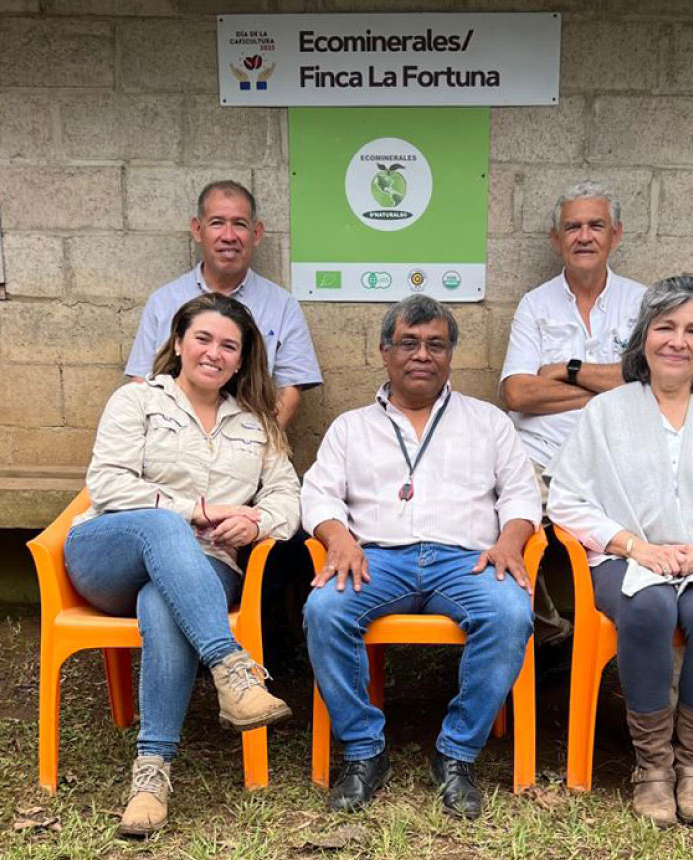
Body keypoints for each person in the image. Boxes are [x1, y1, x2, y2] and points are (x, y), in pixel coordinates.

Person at [547, 275, 693, 827]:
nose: (677, 341)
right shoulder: (607, 412)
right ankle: (653, 767)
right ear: (643, 337)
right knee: (650, 605)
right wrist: (636, 547)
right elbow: (566, 500)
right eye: (665, 327)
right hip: (626, 558)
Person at [67, 293, 299, 837]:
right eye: (202, 338)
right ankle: (230, 669)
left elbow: (289, 495)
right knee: (167, 527)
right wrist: (195, 510)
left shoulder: (257, 423)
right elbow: (107, 484)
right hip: (109, 555)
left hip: (204, 567)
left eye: (228, 346)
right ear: (178, 343)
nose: (213, 353)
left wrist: (258, 522)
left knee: (161, 601)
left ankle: (150, 776)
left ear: (242, 361)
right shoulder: (138, 401)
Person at [302, 295, 541, 819]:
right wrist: (337, 539)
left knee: (509, 613)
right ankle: (365, 754)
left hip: (468, 559)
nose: (422, 355)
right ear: (385, 352)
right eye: (408, 343)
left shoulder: (489, 422)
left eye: (436, 344)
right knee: (324, 612)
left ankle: (456, 755)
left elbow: (522, 495)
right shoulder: (351, 426)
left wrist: (510, 540)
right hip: (375, 559)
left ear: (450, 355)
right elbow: (318, 494)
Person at [499, 180, 647, 654]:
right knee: (503, 524)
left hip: (617, 456)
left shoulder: (644, 303)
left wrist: (568, 371)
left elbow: (651, 385)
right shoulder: (535, 305)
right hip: (538, 455)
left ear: (616, 235)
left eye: (595, 225)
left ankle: (627, 645)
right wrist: (609, 387)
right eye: (573, 226)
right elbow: (517, 392)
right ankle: (545, 633)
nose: (584, 236)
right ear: (556, 239)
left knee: (647, 536)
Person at [125, 180, 322, 429]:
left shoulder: (282, 306)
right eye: (217, 223)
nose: (228, 236)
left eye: (239, 224)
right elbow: (141, 382)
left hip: (249, 446)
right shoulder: (164, 302)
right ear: (197, 230)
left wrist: (255, 445)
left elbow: (289, 392)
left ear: (256, 233)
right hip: (170, 447)